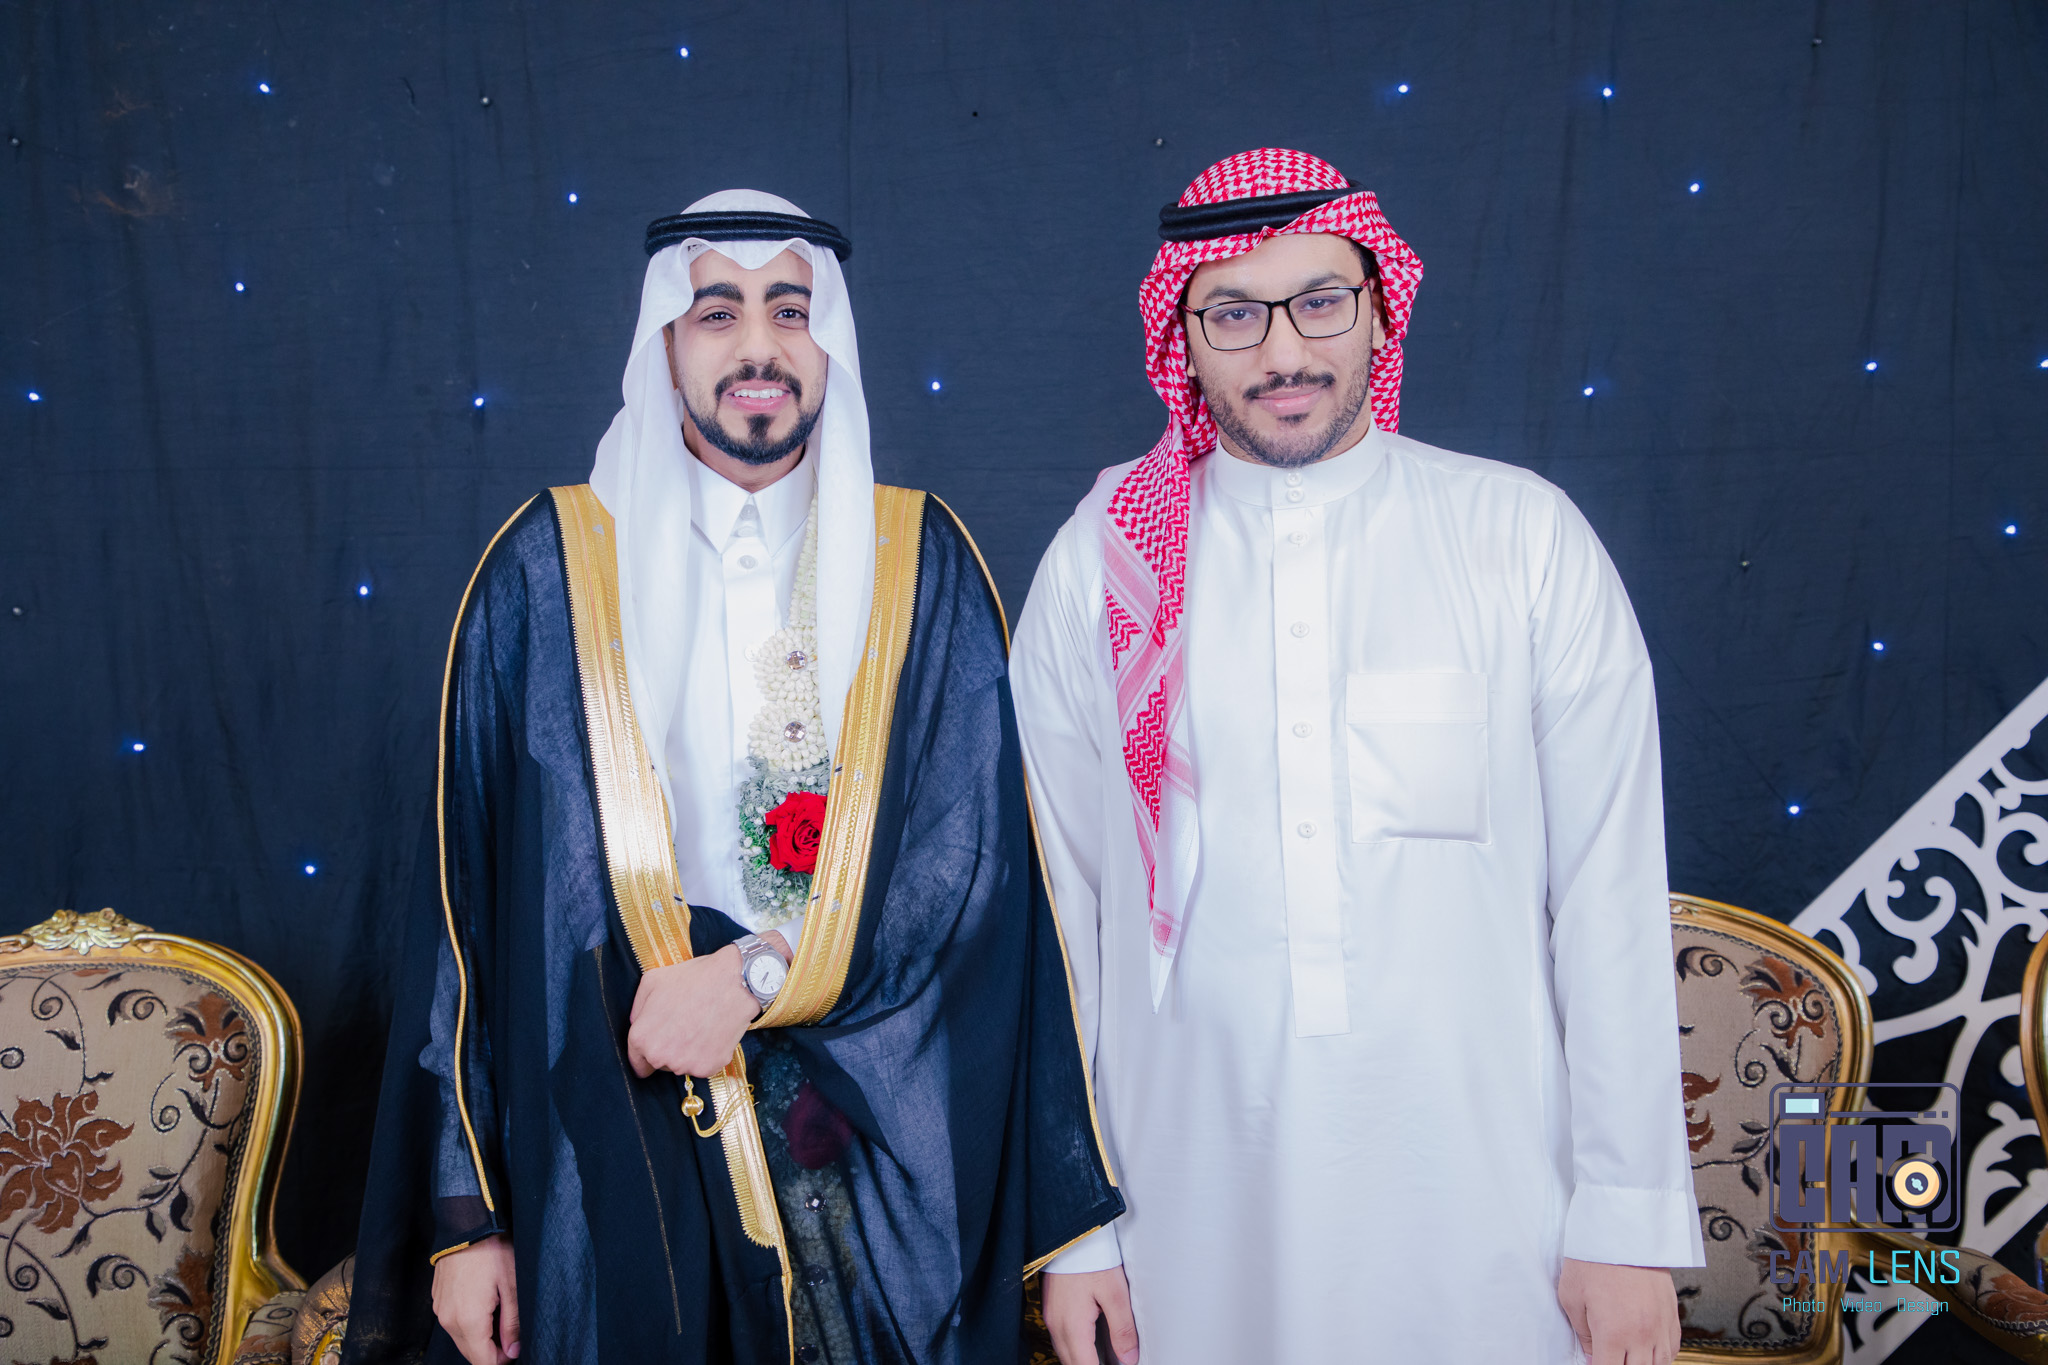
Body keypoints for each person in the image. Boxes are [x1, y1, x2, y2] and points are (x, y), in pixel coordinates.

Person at [343, 190, 1121, 1365]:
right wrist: (468, 1221)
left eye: (788, 312)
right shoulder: (544, 571)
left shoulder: (922, 564)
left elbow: (972, 882)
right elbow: (462, 922)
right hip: (609, 1135)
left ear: (828, 340)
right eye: (717, 313)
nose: (758, 346)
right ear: (664, 342)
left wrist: (754, 976)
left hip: (861, 1147)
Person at [1011, 148, 1704, 1364]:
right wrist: (1075, 1232)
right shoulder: (1100, 565)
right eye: (1234, 314)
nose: (1282, 352)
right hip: (1185, 1210)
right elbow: (1054, 916)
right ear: (1183, 339)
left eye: (1319, 302)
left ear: (1380, 310)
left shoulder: (1518, 537)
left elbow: (1605, 898)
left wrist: (1626, 1220)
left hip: (1491, 1207)